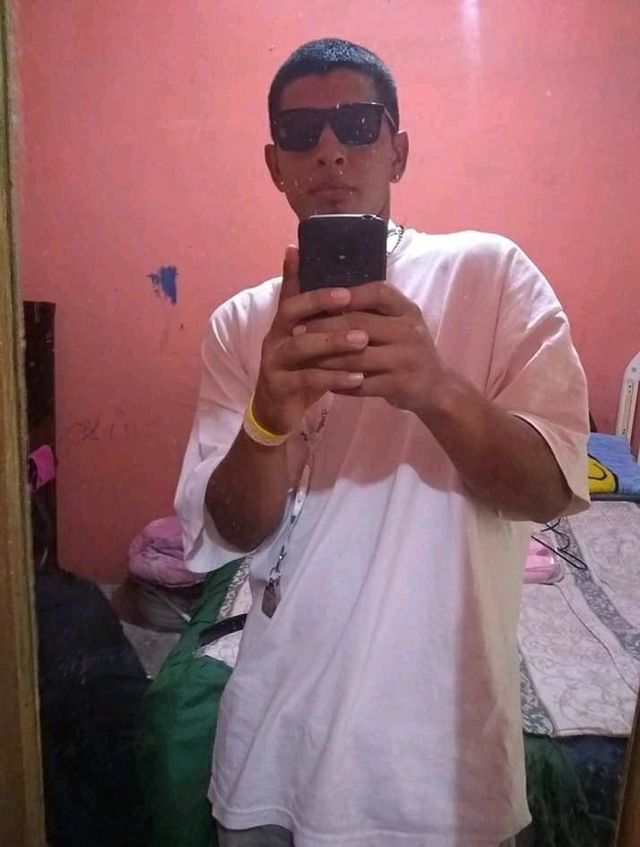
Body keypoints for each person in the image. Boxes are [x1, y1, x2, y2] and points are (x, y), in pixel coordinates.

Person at [175, 37, 589, 847]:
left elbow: (549, 488)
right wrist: (268, 418)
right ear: (275, 164)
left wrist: (435, 387)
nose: (329, 149)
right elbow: (228, 529)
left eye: (357, 123)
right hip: (270, 755)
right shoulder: (240, 324)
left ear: (397, 150)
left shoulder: (491, 275)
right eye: (301, 133)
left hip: (445, 775)